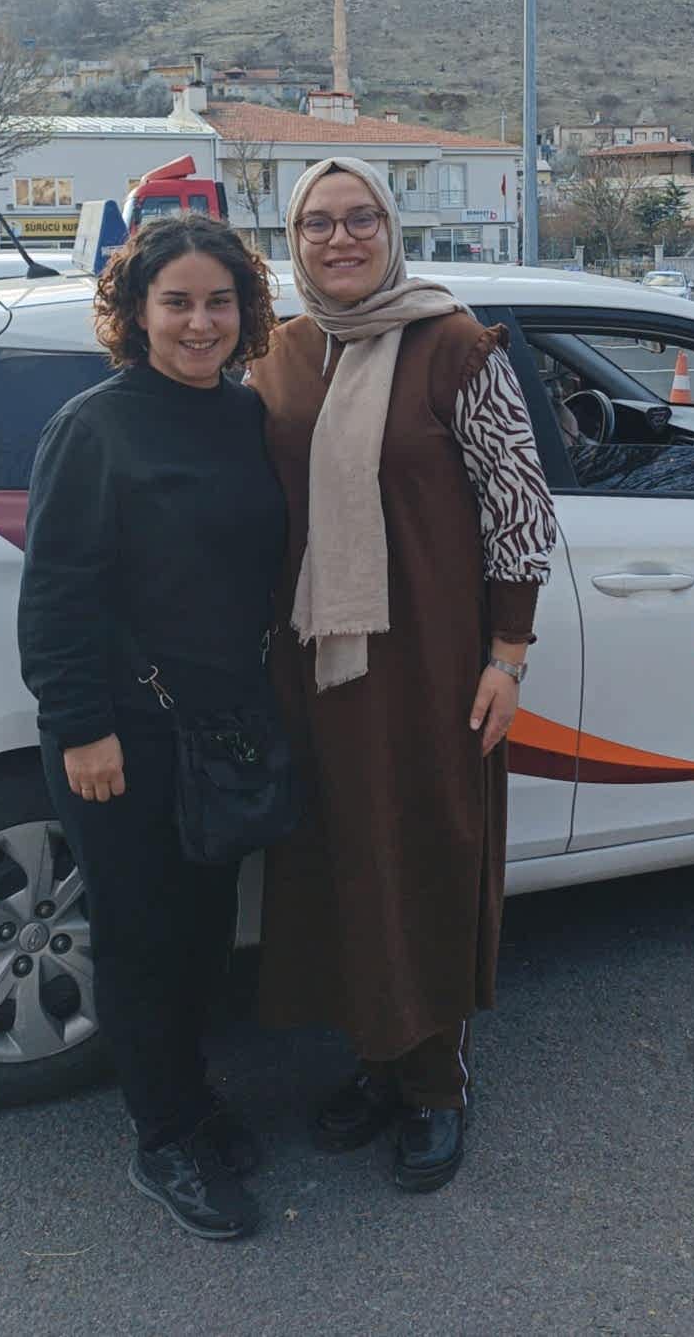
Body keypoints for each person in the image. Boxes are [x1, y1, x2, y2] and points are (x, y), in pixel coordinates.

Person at [246, 157, 558, 1194]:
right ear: (294, 239)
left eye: (360, 218)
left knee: (425, 853)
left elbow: (520, 509)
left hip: (429, 664)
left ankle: (434, 1083)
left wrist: (507, 654)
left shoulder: (454, 345)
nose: (340, 239)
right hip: (310, 665)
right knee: (340, 863)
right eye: (318, 223)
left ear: (390, 228)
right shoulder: (279, 355)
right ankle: (375, 1059)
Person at [17, 215, 284, 1241]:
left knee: (204, 931)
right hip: (122, 735)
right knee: (141, 939)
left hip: (220, 726)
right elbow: (57, 595)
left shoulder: (244, 412)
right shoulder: (95, 427)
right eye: (177, 303)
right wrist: (81, 726)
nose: (200, 322)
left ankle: (192, 1097)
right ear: (136, 311)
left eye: (220, 301)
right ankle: (163, 1137)